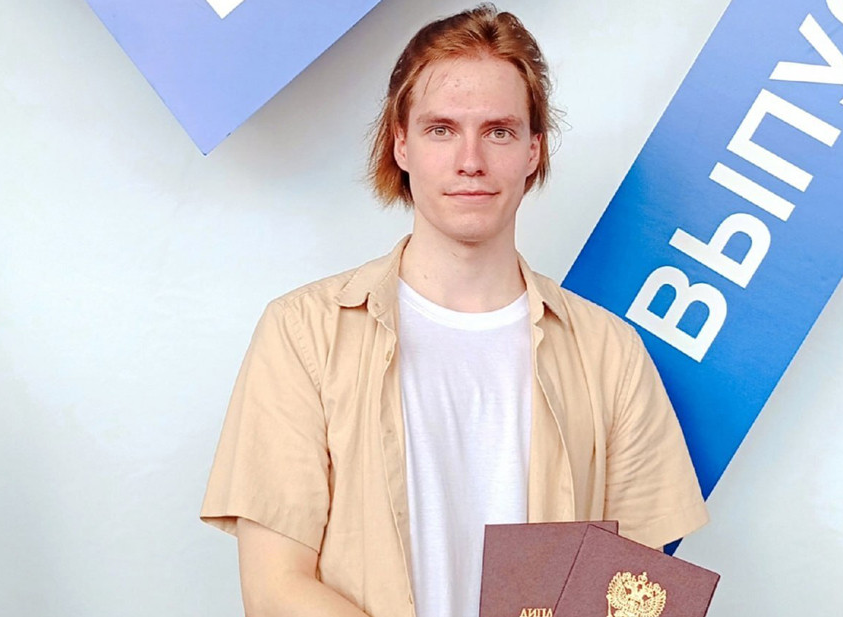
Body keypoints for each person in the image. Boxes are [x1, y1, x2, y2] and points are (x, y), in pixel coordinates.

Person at [200, 4, 708, 617]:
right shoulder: (302, 334)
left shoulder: (610, 354)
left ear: (533, 150)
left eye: (499, 131)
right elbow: (274, 590)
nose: (471, 159)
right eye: (441, 129)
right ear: (401, 144)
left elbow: (634, 594)